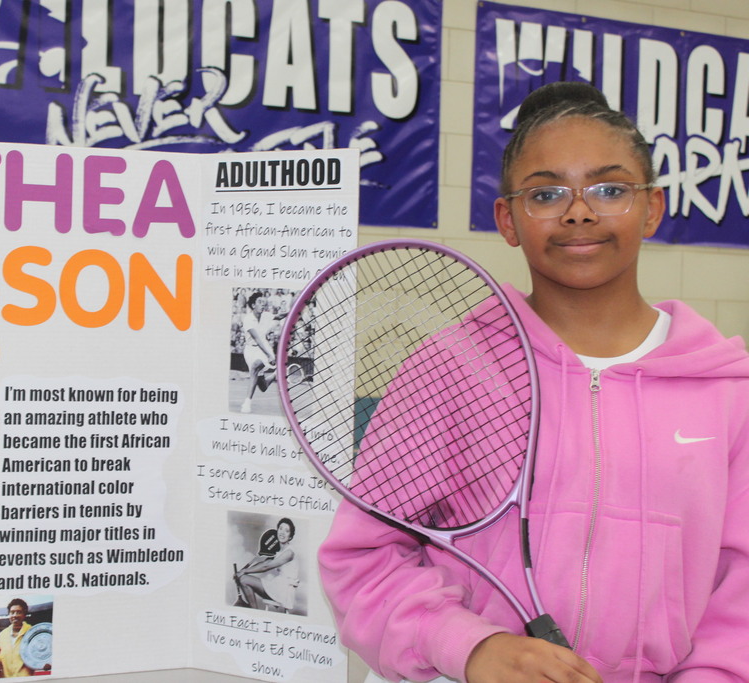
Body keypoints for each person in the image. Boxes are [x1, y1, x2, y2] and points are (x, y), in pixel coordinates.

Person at [318, 82, 749, 683]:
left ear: (652, 207)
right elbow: (363, 560)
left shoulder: (729, 390)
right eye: (546, 193)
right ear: (508, 219)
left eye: (610, 188)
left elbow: (741, 594)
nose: (579, 211)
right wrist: (470, 648)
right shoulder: (452, 366)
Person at [234, 518, 300, 612]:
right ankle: (254, 611)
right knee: (243, 578)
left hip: (283, 591)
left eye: (286, 531)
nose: (282, 532)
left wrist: (244, 571)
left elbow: (267, 566)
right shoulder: (279, 551)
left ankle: (254, 612)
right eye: (280, 529)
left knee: (244, 579)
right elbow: (265, 563)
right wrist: (243, 571)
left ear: (290, 536)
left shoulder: (289, 552)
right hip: (278, 586)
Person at [239, 291, 284, 413]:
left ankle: (247, 403)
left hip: (263, 349)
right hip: (250, 350)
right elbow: (257, 339)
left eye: (264, 303)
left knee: (254, 368)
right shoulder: (248, 319)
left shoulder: (266, 315)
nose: (263, 305)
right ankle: (276, 375)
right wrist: (270, 355)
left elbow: (279, 316)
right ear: (253, 305)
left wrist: (296, 310)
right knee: (262, 386)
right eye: (260, 302)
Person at [0, 598, 34, 677]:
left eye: (19, 612)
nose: (15, 615)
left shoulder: (32, 632)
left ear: (24, 614)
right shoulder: (2, 635)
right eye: (12, 612)